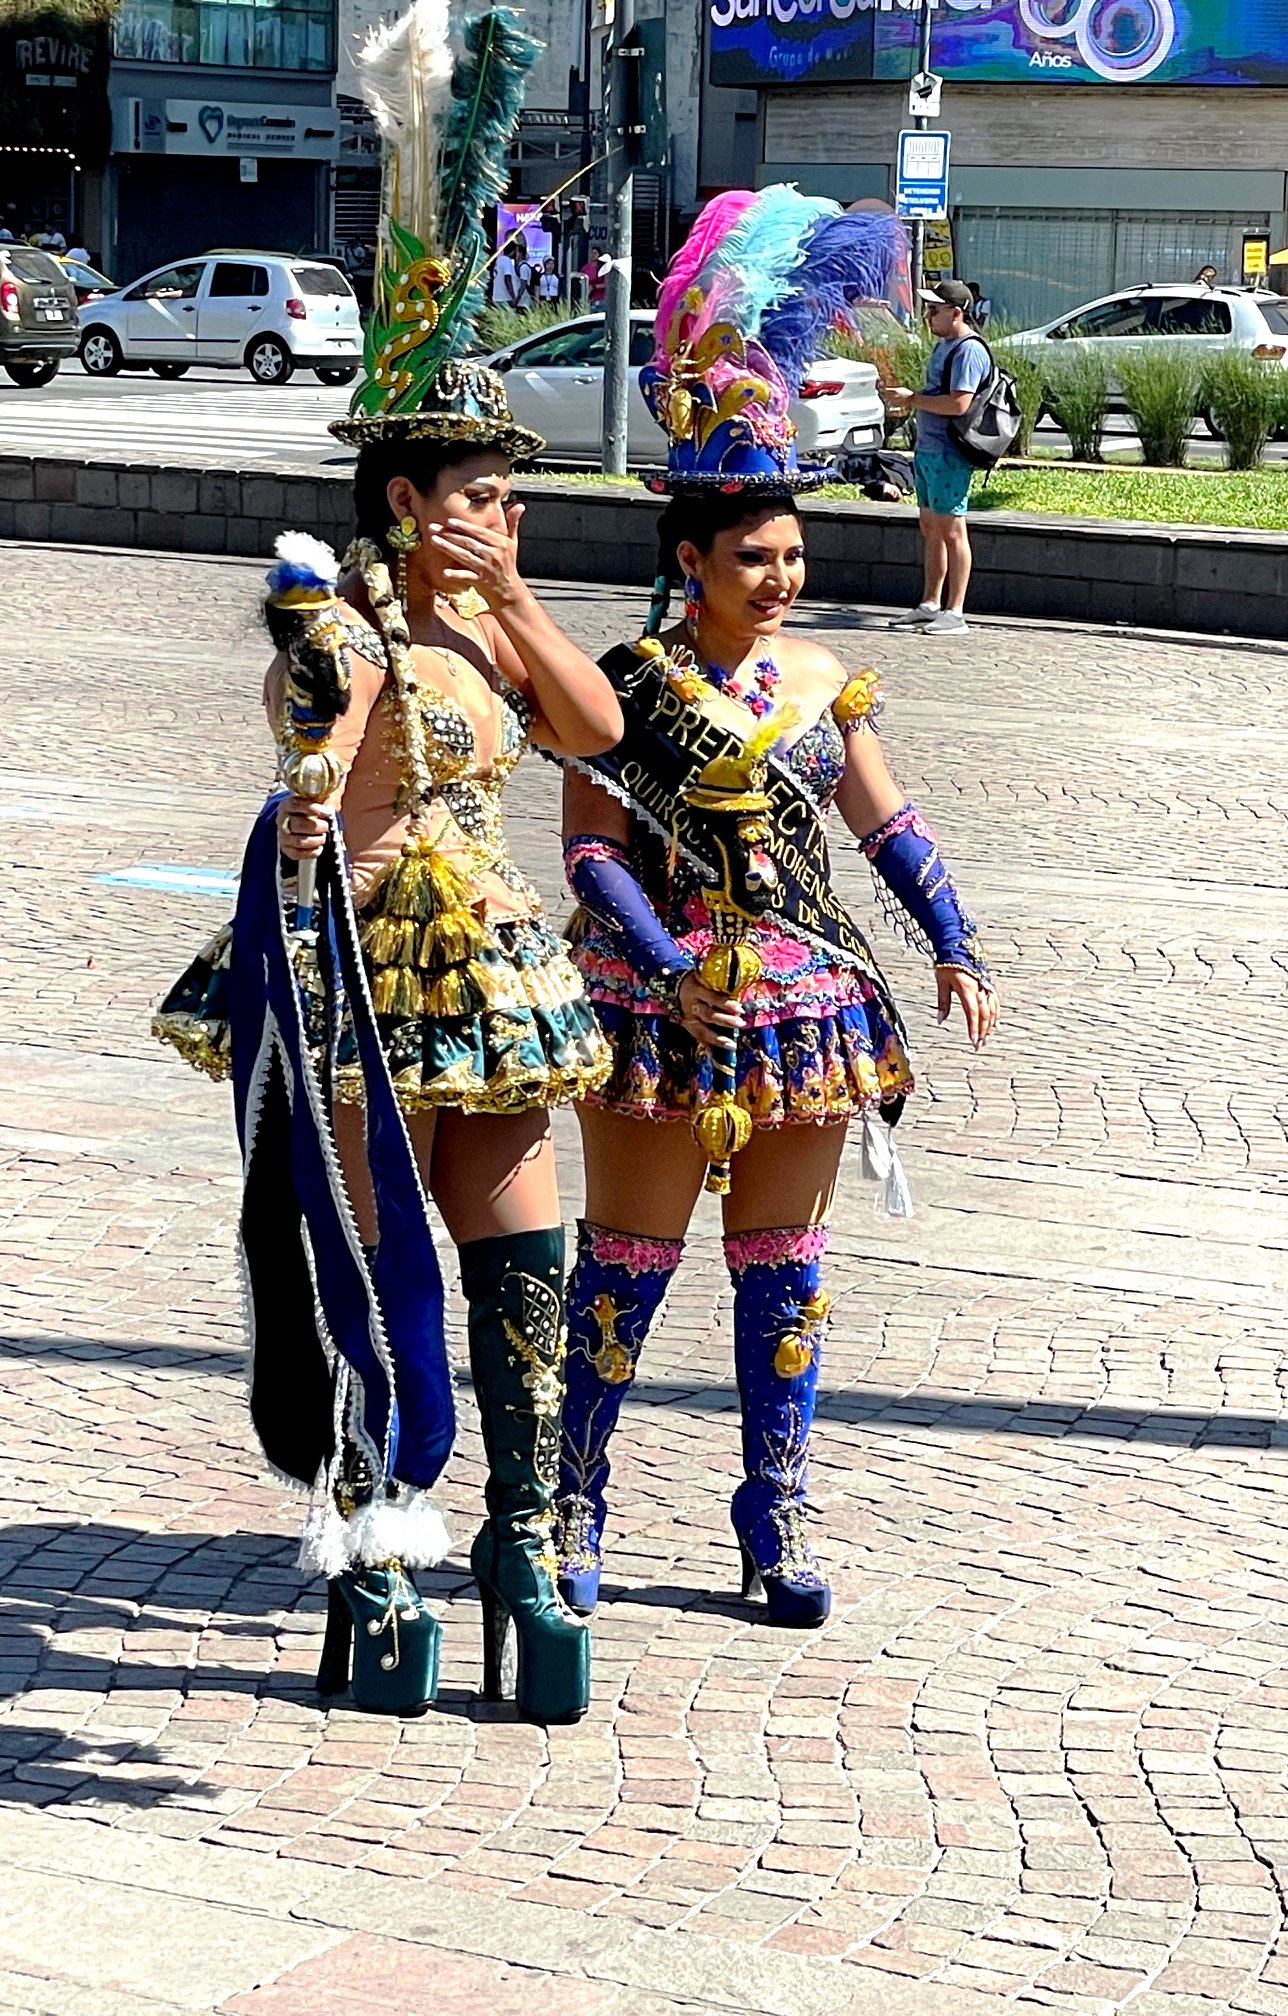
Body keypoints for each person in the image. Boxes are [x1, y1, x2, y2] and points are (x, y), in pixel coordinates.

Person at [157, 0, 620, 1727]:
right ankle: (379, 1546)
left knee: (522, 1264)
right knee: (374, 1276)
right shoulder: (350, 629)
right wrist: (307, 793)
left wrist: (515, 598)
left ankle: (522, 1538)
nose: (505, 514)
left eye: (510, 495)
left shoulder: (494, 630)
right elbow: (317, 744)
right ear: (410, 500)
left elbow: (595, 733)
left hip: (486, 974)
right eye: (482, 496)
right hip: (367, 976)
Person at [548, 187, 998, 1630]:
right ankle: (574, 1496)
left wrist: (953, 939)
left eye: (793, 554)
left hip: (804, 1007)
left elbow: (888, 822)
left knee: (784, 1278)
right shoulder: (625, 686)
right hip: (656, 1004)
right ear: (690, 559)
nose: (783, 577)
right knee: (623, 1271)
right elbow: (592, 854)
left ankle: (775, 1505)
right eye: (756, 556)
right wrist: (668, 963)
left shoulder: (819, 681)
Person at [882, 279, 989, 637]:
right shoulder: (945, 346)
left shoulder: (968, 351)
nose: (928, 316)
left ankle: (955, 612)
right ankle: (930, 603)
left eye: (934, 310)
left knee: (952, 530)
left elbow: (959, 403)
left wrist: (913, 399)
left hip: (949, 452)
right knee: (931, 527)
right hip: (930, 449)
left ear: (956, 313)